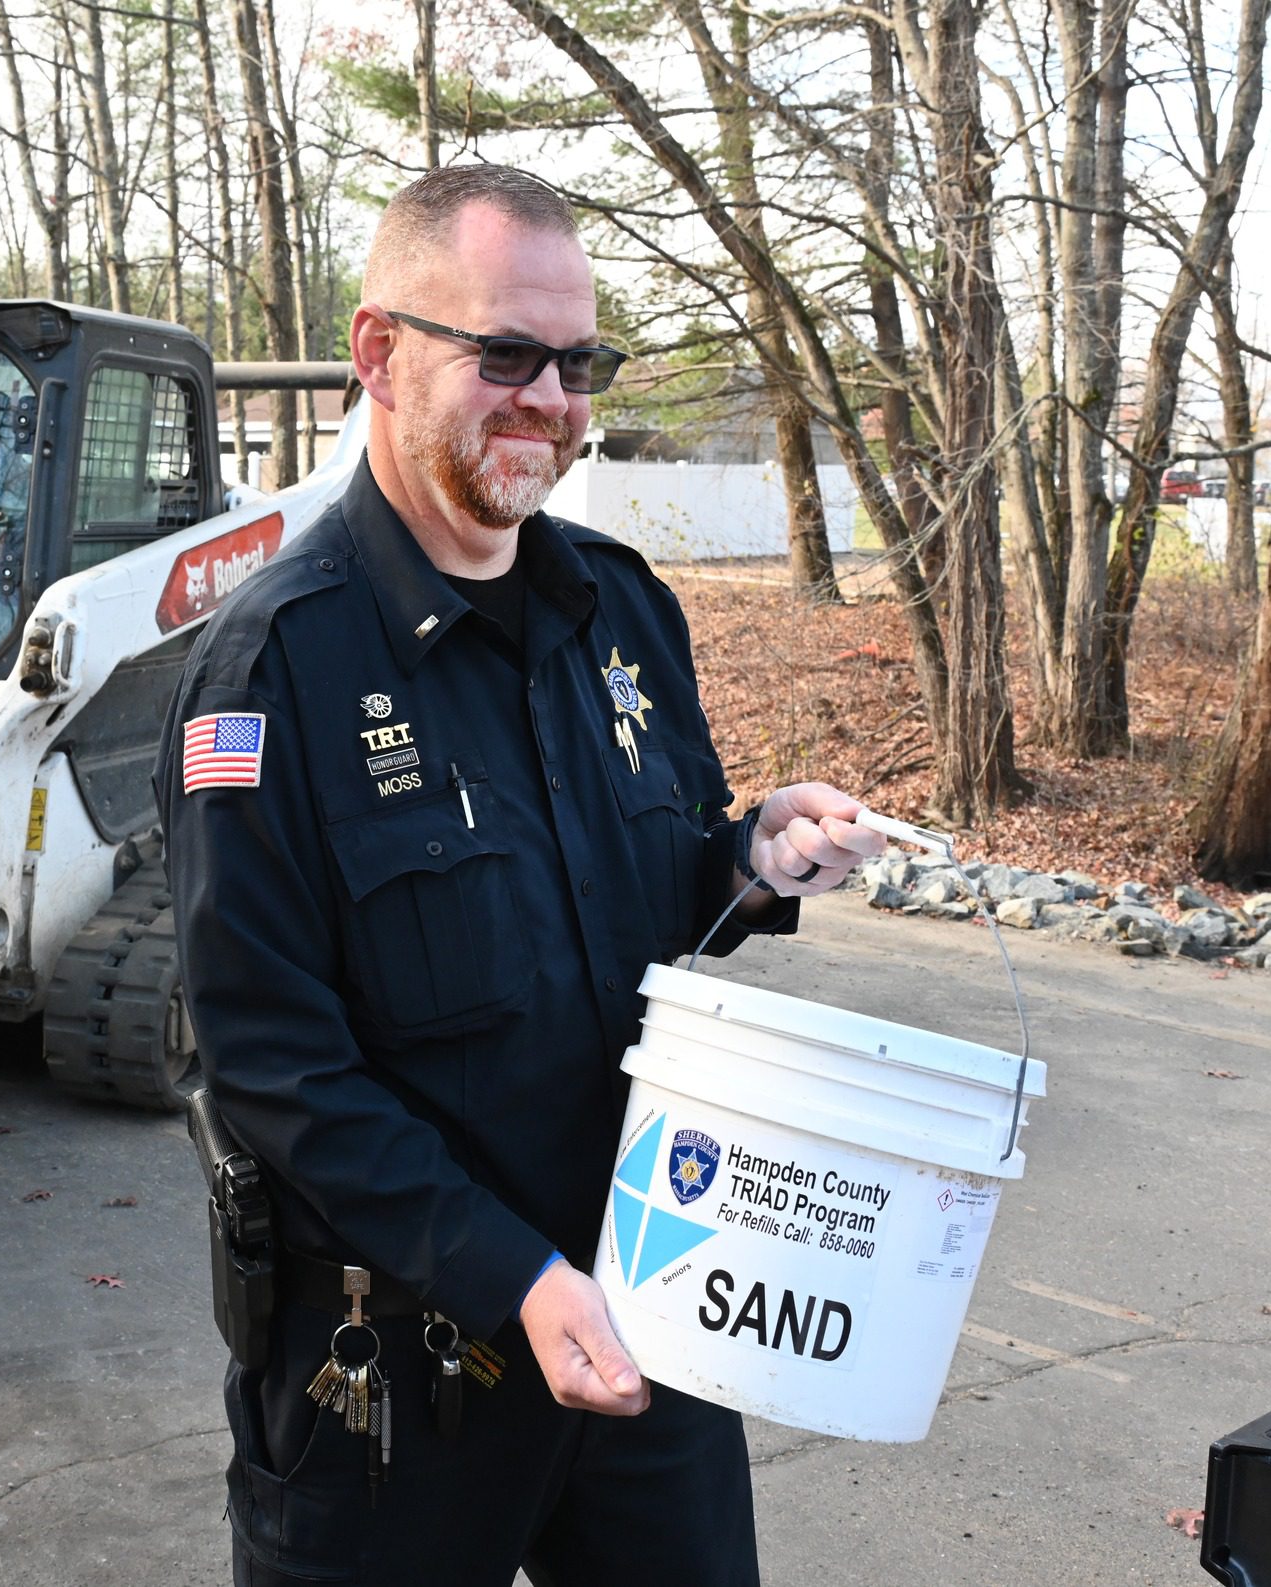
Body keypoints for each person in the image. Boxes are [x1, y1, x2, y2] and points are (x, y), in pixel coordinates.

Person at [157, 164, 885, 1587]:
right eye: (504, 356)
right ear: (380, 354)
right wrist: (516, 1280)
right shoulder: (270, 678)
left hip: (646, 1315)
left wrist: (749, 855)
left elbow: (645, 904)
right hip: (400, 1379)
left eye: (577, 362)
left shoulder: (621, 613)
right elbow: (271, 1064)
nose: (551, 399)